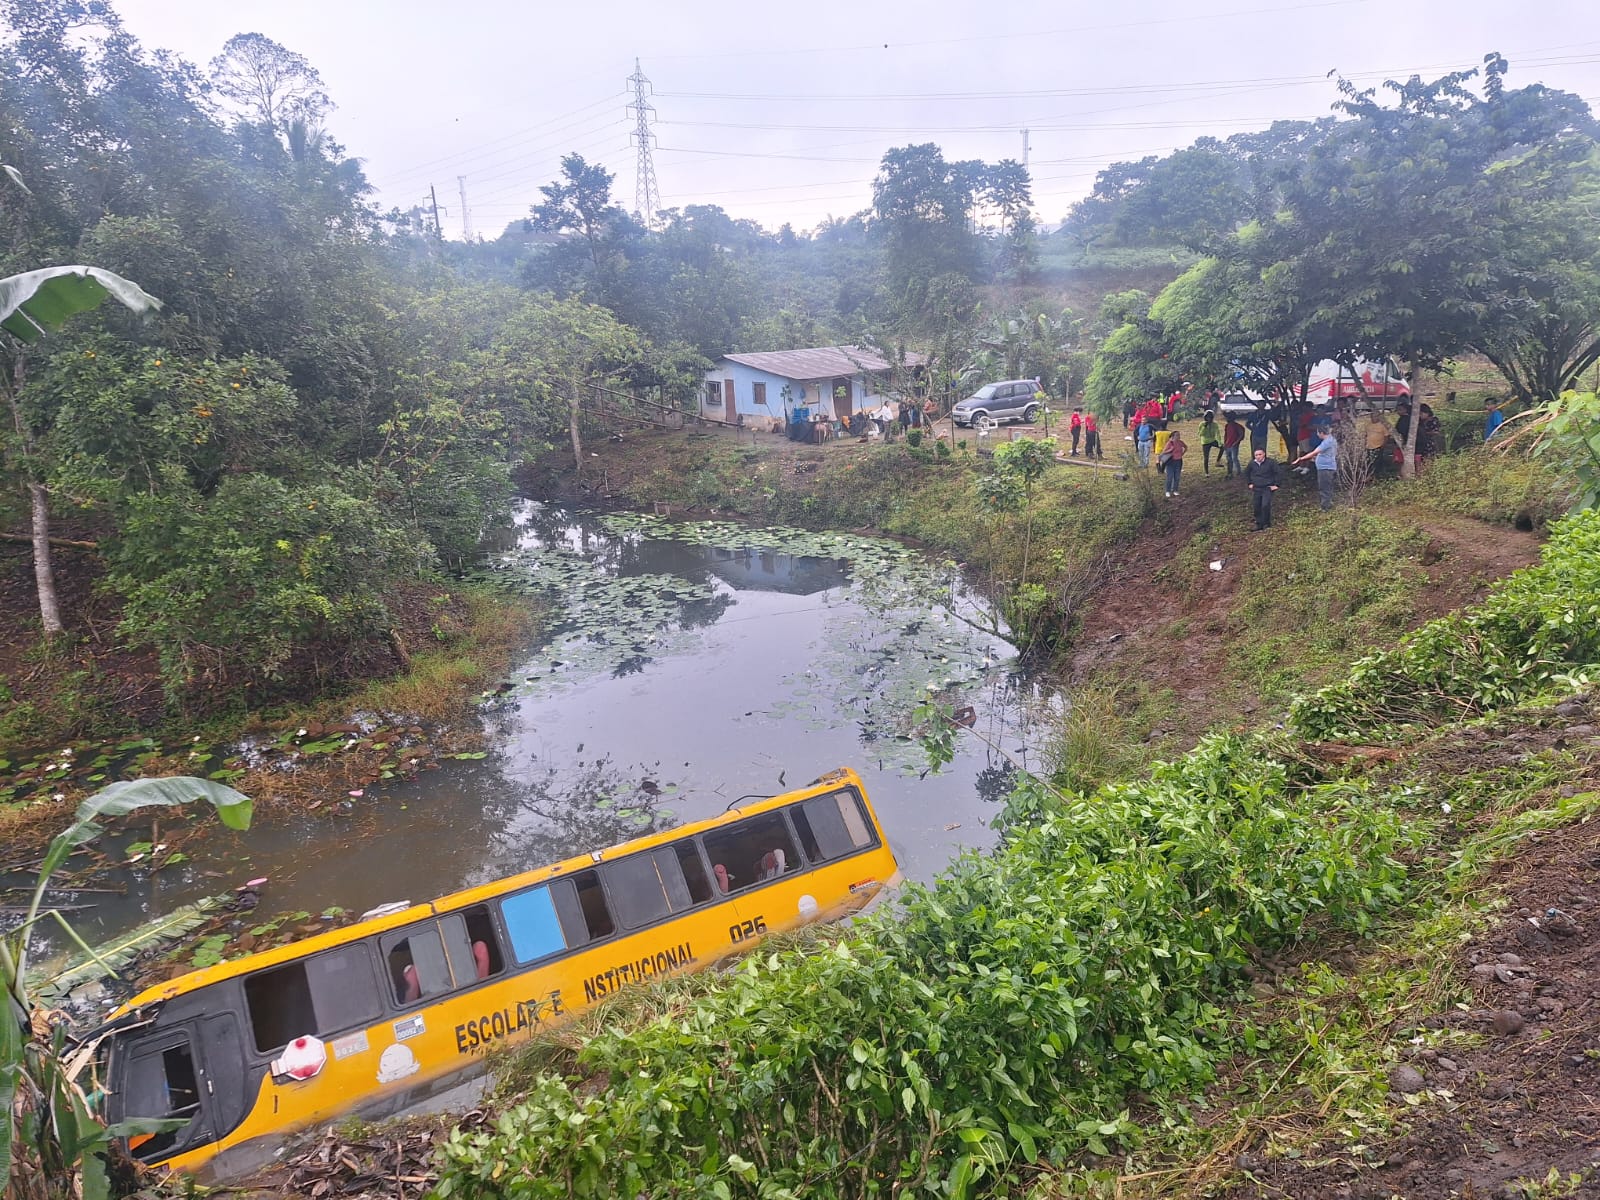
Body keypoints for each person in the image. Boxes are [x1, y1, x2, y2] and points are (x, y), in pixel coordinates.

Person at [1292, 424, 1339, 511]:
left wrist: (1300, 458)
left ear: (1322, 433)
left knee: (1324, 487)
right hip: (1326, 466)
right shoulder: (1330, 440)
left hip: (1326, 468)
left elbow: (1314, 452)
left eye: (1317, 432)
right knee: (1327, 486)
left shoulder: (1327, 442)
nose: (1317, 434)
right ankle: (1327, 503)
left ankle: (1326, 507)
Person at [1245, 447, 1280, 530]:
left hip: (1267, 487)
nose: (1258, 456)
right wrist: (1249, 483)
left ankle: (1267, 523)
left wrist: (1277, 485)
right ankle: (1259, 524)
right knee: (1256, 506)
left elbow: (1278, 473)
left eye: (1260, 454)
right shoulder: (1252, 464)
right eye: (1256, 455)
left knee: (1265, 505)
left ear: (1264, 454)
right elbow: (1246, 473)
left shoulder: (1271, 463)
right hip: (1256, 488)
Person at [1162, 427, 1187, 498]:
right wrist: (1170, 449)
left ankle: (1175, 490)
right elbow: (1163, 452)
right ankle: (1168, 491)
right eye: (1177, 435)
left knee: (1177, 477)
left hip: (1178, 461)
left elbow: (1185, 447)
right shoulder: (1170, 443)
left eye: (1179, 435)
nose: (1179, 436)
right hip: (1171, 461)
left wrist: (1182, 453)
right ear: (1173, 436)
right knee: (1170, 477)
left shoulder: (1180, 442)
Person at [1199, 409, 1221, 474]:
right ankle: (1206, 472)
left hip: (1212, 440)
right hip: (1205, 442)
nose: (1209, 419)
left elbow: (1218, 433)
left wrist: (1219, 442)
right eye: (1208, 417)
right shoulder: (1202, 424)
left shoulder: (1214, 424)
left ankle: (1218, 461)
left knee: (1223, 447)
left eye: (1211, 417)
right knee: (1206, 457)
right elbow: (1200, 434)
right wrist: (1205, 427)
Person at [1222, 413, 1244, 478]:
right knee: (1229, 459)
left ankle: (1238, 472)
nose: (1227, 419)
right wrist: (1225, 443)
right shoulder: (1227, 425)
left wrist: (1236, 442)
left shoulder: (1237, 426)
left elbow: (1241, 435)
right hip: (1228, 445)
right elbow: (1226, 435)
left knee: (1234, 458)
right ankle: (1230, 472)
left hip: (1233, 445)